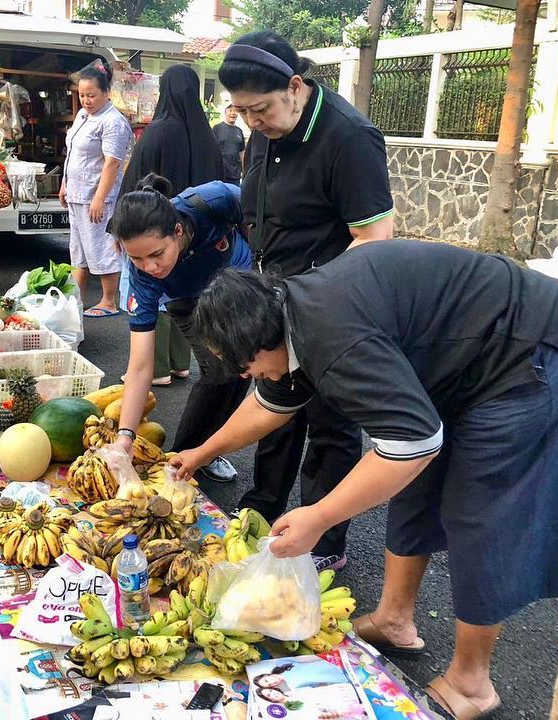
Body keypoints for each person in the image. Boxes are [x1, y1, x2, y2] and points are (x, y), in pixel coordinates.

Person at [171, 240, 558, 720]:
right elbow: (269, 404)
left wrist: (321, 515)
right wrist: (201, 453)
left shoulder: (333, 337)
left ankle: (472, 683)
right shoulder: (284, 317)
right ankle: (395, 619)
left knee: (478, 511)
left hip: (525, 352)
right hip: (462, 359)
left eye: (246, 366)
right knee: (414, 484)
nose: (250, 376)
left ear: (260, 340)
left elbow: (410, 443)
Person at [217, 31, 396, 572]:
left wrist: (317, 299)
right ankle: (262, 514)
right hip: (276, 301)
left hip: (333, 305)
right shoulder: (266, 132)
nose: (253, 121)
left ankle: (323, 540)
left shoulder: (349, 138)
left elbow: (374, 239)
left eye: (262, 109)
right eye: (242, 112)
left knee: (331, 424)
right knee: (275, 409)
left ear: (295, 87)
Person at [109, 174, 251, 486]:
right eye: (136, 258)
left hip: (237, 285)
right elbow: (141, 363)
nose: (150, 266)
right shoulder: (143, 277)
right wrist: (125, 437)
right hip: (186, 299)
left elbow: (259, 217)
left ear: (177, 230)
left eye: (157, 254)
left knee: (244, 369)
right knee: (219, 371)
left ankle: (209, 450)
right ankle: (185, 454)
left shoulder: (215, 199)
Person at [117, 64, 224, 390]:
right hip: (191, 235)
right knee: (187, 292)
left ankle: (157, 368)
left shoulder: (159, 130)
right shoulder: (207, 133)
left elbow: (135, 183)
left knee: (155, 291)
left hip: (154, 227)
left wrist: (119, 229)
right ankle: (180, 364)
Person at [60, 61, 133, 318]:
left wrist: (99, 199)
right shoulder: (82, 116)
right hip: (76, 193)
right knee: (78, 248)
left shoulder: (113, 121)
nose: (86, 100)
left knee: (101, 246)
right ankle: (75, 300)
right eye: (82, 95)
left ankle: (109, 301)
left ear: (106, 93)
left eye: (91, 95)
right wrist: (64, 185)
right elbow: (73, 154)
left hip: (96, 195)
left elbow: (113, 162)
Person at [212, 105, 246, 184]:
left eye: (235, 111)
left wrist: (245, 172)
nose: (232, 113)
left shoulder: (239, 131)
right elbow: (211, 150)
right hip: (219, 174)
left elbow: (242, 153)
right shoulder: (217, 128)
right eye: (230, 111)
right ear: (225, 113)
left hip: (235, 176)